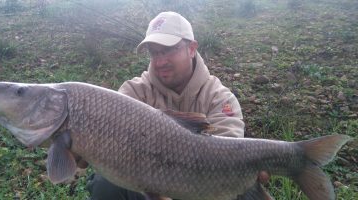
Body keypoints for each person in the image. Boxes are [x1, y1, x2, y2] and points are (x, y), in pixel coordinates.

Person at [86, 11, 267, 200]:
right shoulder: (134, 92)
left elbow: (228, 155)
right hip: (146, 184)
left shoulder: (219, 98)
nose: (160, 61)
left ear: (191, 48)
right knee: (104, 182)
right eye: (154, 53)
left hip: (202, 186)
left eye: (169, 50)